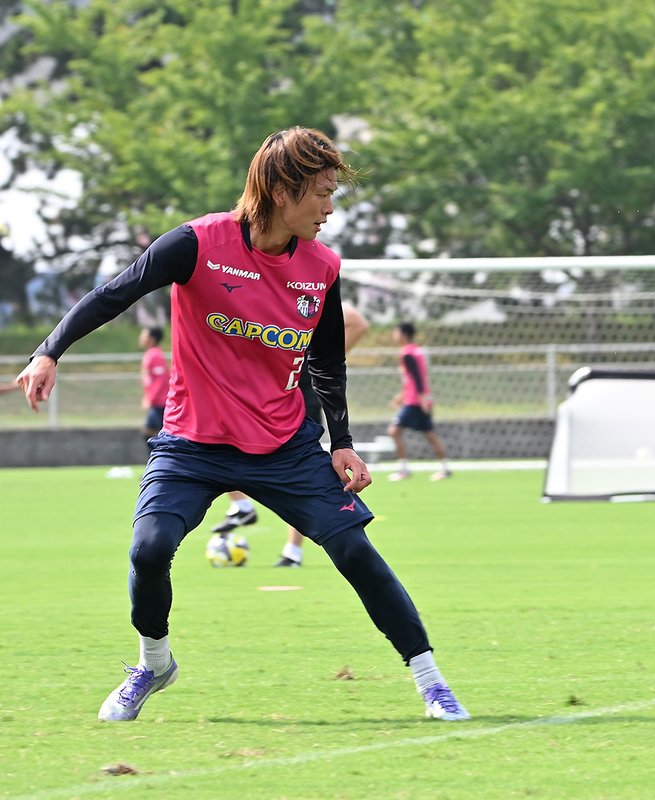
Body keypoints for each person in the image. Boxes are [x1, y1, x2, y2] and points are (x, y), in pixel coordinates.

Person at [16, 126, 469, 722]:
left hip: (286, 446)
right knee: (149, 553)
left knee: (356, 552)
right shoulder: (195, 244)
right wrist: (49, 350)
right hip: (191, 445)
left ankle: (432, 682)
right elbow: (112, 294)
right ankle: (153, 663)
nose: (331, 210)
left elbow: (328, 362)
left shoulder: (322, 266)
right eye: (323, 194)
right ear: (283, 190)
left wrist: (343, 444)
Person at [276, 302, 370, 568]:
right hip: (260, 398)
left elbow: (356, 320)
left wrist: (321, 358)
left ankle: (293, 549)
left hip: (296, 400)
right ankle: (289, 547)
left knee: (298, 473)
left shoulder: (306, 292)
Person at [387, 322, 451, 481]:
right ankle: (444, 468)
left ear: (403, 334)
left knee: (394, 432)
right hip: (418, 398)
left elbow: (416, 376)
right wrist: (402, 396)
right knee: (430, 434)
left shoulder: (407, 353)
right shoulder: (418, 351)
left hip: (415, 401)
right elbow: (414, 378)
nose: (394, 335)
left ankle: (403, 470)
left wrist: (421, 398)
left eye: (396, 332)